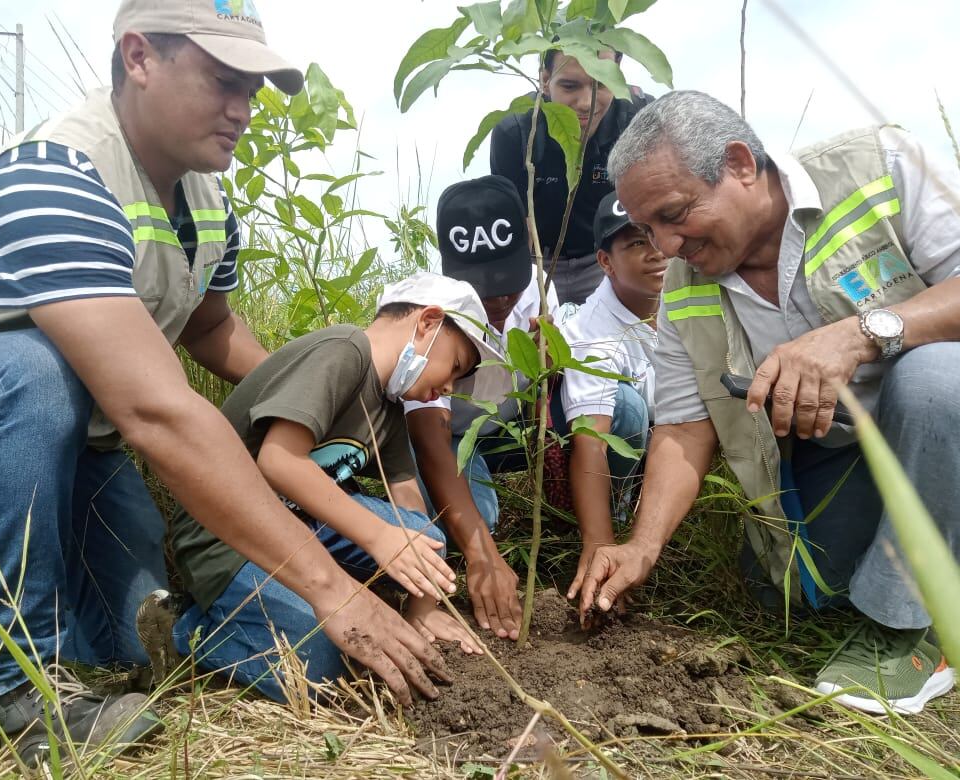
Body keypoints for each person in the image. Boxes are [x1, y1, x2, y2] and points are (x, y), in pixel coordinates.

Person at [0, 0, 447, 765]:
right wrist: (333, 589)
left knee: (134, 632)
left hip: (79, 434)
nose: (243, 109)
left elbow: (207, 328)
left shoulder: (205, 201)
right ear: (139, 57)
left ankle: (68, 656)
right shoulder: (52, 176)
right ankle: (19, 679)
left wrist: (308, 398)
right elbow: (155, 411)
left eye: (254, 90)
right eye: (223, 81)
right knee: (33, 368)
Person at [580, 89, 959, 715]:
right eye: (649, 229)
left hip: (940, 417)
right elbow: (682, 424)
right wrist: (642, 546)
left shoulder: (880, 168)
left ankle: (905, 634)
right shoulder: (684, 286)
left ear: (739, 164)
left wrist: (862, 332)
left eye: (675, 214)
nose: (667, 246)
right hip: (847, 453)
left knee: (935, 380)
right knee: (804, 587)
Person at [154, 272, 508, 697]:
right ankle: (184, 630)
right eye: (455, 366)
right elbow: (278, 461)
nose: (449, 387)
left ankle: (302, 603)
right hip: (228, 534)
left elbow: (408, 504)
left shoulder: (389, 408)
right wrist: (378, 536)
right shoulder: (343, 350)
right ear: (428, 322)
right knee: (326, 665)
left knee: (425, 538)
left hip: (300, 528)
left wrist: (422, 604)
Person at [405, 175, 558, 641]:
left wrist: (550, 361)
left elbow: (555, 380)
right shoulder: (432, 313)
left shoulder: (536, 294)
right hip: (452, 436)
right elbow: (431, 440)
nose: (497, 301)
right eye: (482, 291)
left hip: (508, 428)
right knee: (481, 518)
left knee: (628, 411)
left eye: (507, 286)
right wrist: (481, 554)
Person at [549, 191, 667, 605]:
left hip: (668, 428)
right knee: (627, 407)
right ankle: (616, 509)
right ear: (605, 262)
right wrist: (600, 543)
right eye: (636, 243)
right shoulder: (594, 334)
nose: (655, 252)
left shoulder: (686, 294)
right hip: (598, 434)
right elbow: (591, 440)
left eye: (656, 235)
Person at [490, 46, 651, 305]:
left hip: (609, 256)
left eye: (602, 83)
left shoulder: (638, 122)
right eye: (569, 86)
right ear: (545, 81)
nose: (586, 102)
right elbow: (519, 228)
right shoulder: (516, 131)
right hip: (537, 259)